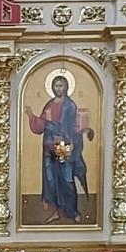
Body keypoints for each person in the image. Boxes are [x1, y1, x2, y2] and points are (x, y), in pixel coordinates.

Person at [27, 73, 89, 223]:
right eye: (56, 86)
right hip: (49, 146)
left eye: (61, 86)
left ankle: (72, 211)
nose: (58, 88)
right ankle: (55, 211)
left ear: (66, 87)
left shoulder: (70, 105)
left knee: (66, 179)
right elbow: (42, 124)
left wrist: (74, 140)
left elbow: (74, 126)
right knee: (51, 179)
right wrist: (31, 116)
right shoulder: (49, 104)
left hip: (63, 145)